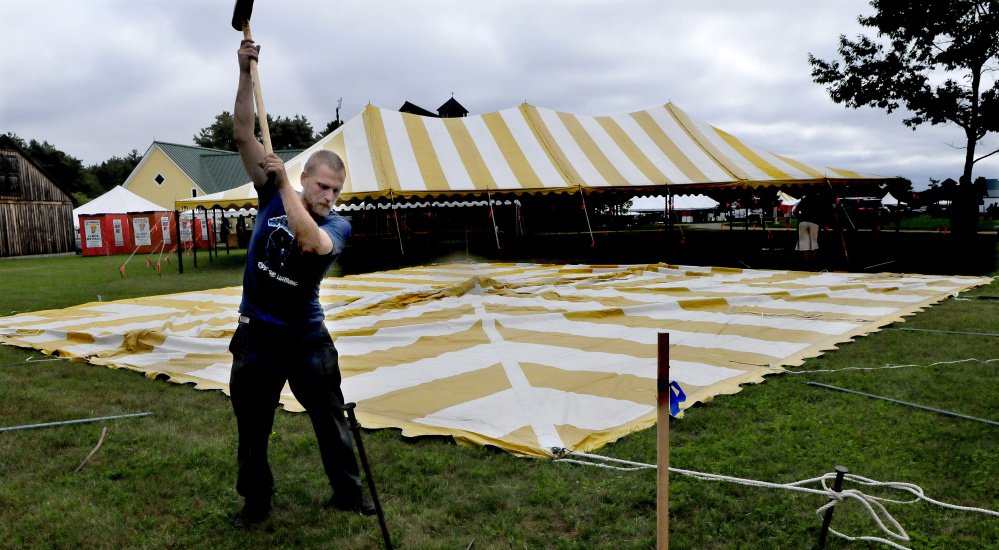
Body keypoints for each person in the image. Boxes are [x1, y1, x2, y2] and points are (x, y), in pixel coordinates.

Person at [229, 38, 373, 528]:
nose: (330, 196)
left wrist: (287, 187)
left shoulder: (338, 225)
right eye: (322, 186)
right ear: (308, 175)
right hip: (257, 336)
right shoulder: (272, 190)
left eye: (336, 190)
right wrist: (246, 72)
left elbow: (311, 243)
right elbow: (244, 133)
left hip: (306, 338)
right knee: (253, 427)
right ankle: (256, 501)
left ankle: (349, 494)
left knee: (330, 419)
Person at [793, 190, 828, 267]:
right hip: (814, 223)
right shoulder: (819, 200)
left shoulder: (804, 200)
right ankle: (812, 264)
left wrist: (800, 217)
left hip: (803, 223)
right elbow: (823, 214)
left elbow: (794, 211)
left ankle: (807, 265)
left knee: (805, 247)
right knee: (814, 246)